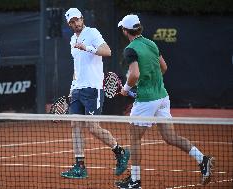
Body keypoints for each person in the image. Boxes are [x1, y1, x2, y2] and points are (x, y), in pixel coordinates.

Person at [115, 14, 214, 189]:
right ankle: (203, 159)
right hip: (162, 96)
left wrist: (126, 89)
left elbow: (135, 74)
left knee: (134, 138)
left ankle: (135, 181)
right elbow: (164, 67)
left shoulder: (130, 49)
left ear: (125, 30)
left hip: (146, 100)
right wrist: (152, 82)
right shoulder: (151, 44)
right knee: (170, 137)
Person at [60, 8, 130, 179]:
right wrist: (71, 89)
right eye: (72, 22)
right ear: (69, 24)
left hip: (93, 88)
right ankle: (80, 166)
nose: (75, 23)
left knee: (93, 127)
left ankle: (120, 151)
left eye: (77, 20)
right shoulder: (71, 39)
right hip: (77, 89)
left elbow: (107, 51)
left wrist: (87, 47)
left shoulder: (92, 33)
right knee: (75, 125)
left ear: (82, 19)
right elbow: (77, 68)